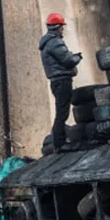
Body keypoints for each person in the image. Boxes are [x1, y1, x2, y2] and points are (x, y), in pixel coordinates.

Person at [39, 13, 83, 151]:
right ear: (57, 27)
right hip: (62, 80)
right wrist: (77, 58)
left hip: (57, 81)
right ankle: (60, 143)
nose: (62, 30)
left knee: (61, 111)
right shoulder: (55, 42)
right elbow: (68, 60)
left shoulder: (47, 42)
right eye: (62, 27)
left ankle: (59, 141)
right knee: (62, 113)